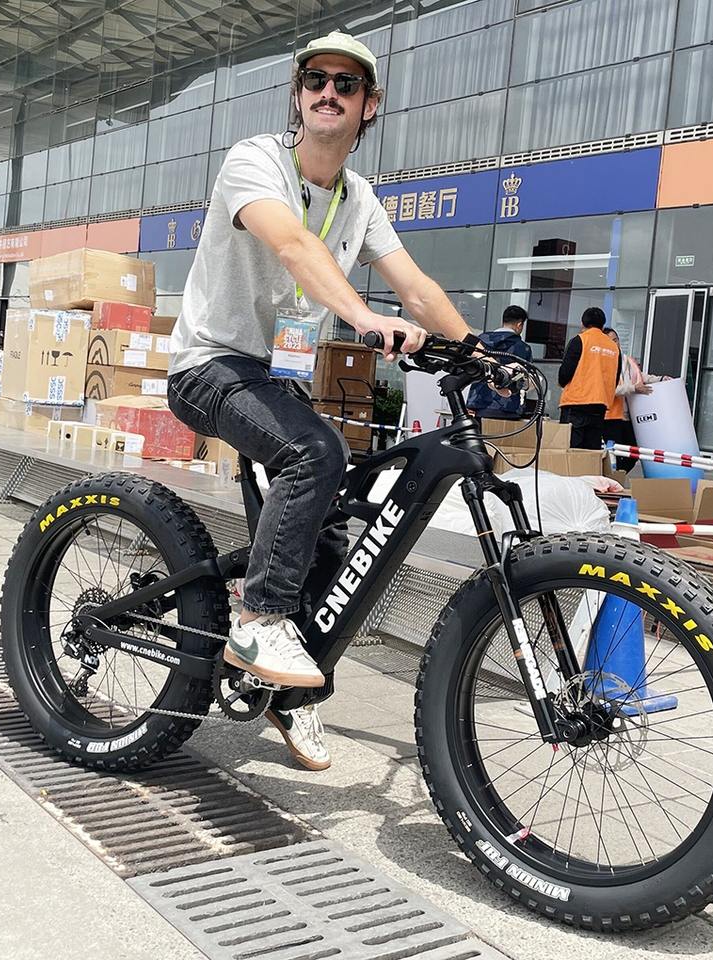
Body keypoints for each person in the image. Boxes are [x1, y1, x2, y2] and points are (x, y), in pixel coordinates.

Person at [166, 31, 484, 771]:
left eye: (347, 83)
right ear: (299, 92)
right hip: (210, 365)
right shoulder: (256, 161)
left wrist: (480, 352)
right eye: (316, 78)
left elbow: (416, 287)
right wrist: (365, 317)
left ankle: (287, 689)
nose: (329, 91)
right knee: (316, 452)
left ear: (370, 104)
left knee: (334, 536)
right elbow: (293, 246)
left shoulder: (359, 198)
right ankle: (259, 618)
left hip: (275, 380)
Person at [558, 306, 620, 449]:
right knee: (591, 452)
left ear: (582, 323)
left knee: (569, 450)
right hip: (600, 406)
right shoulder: (614, 348)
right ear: (602, 325)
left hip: (576, 404)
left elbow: (565, 374)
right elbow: (615, 378)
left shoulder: (579, 340)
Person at [602, 327, 661, 473]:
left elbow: (639, 376)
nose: (614, 344)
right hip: (610, 416)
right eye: (610, 341)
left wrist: (660, 379)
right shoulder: (602, 363)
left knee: (633, 452)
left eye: (616, 340)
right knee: (615, 453)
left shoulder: (625, 360)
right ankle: (612, 477)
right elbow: (609, 390)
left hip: (628, 416)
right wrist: (634, 388)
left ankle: (616, 476)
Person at [466, 305, 532, 418]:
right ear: (519, 324)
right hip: (508, 406)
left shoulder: (481, 341)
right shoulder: (523, 348)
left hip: (478, 403)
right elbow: (525, 378)